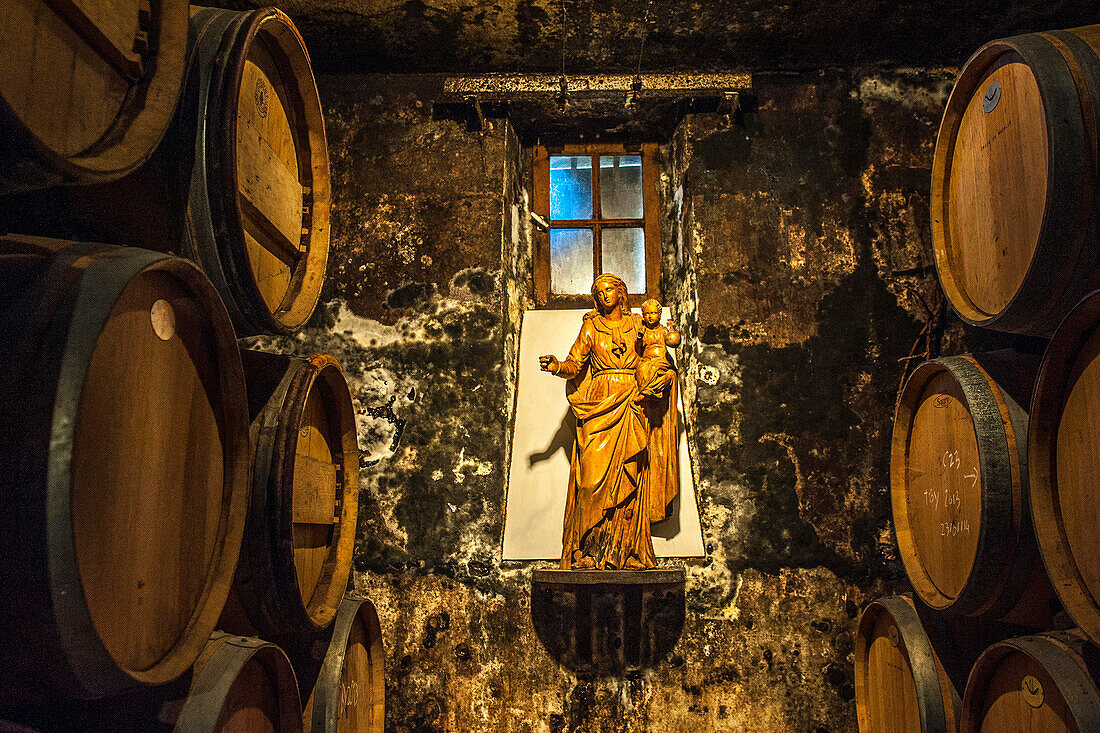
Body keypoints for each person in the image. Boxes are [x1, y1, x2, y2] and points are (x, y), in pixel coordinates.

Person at [538, 274, 679, 570]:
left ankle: (625, 551)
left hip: (630, 400)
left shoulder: (639, 325)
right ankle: (589, 550)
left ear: (621, 293)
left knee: (629, 477)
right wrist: (557, 366)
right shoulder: (590, 326)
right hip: (599, 401)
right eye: (599, 293)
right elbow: (575, 363)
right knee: (590, 480)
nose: (604, 296)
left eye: (609, 290)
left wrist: (660, 376)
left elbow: (656, 356)